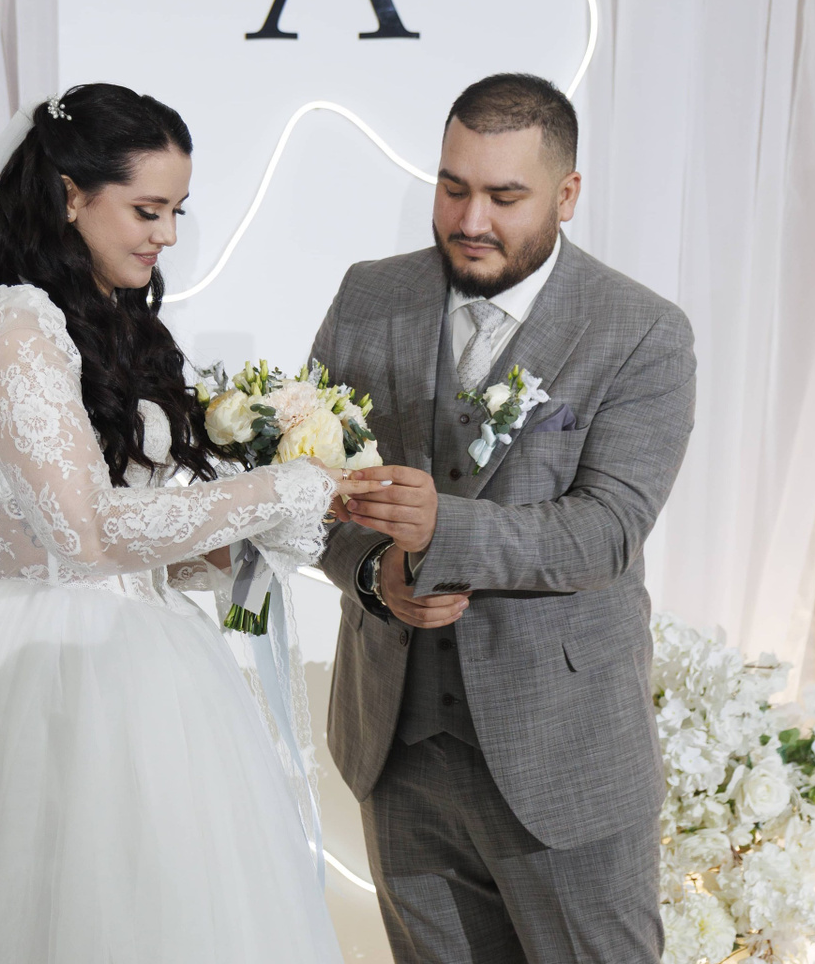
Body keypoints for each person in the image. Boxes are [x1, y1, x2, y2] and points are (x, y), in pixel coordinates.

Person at [0, 84, 371, 963]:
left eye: (176, 211)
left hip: (150, 661)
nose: (167, 235)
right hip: (45, 667)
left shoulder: (111, 322)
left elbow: (143, 546)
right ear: (70, 195)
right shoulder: (14, 322)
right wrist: (278, 489)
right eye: (147, 209)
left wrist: (241, 540)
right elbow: (85, 533)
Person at [312, 73, 696, 964]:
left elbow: (607, 531)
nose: (470, 220)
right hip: (396, 751)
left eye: (504, 196)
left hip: (564, 761)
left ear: (567, 194)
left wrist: (440, 530)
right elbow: (309, 485)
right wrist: (374, 571)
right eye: (452, 188)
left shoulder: (641, 331)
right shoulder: (369, 297)